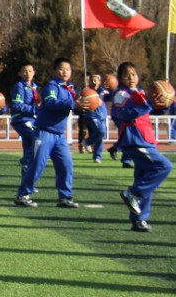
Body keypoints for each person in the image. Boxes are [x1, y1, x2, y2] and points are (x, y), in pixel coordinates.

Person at [15, 58, 86, 209]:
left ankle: (65, 197)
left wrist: (84, 105)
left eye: (67, 69)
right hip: (44, 132)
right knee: (37, 164)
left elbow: (74, 105)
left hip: (59, 135)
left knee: (66, 164)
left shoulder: (70, 88)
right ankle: (23, 195)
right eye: (61, 69)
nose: (65, 71)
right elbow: (50, 103)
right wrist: (73, 104)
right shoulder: (51, 86)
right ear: (54, 71)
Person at [111, 62, 174, 232]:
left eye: (133, 74)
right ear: (120, 79)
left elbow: (148, 112)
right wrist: (148, 104)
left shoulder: (139, 93)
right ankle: (133, 193)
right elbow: (125, 115)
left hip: (144, 140)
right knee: (164, 166)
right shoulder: (121, 95)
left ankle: (139, 220)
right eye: (126, 75)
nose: (131, 78)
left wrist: (162, 104)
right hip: (136, 141)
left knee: (145, 178)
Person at [9, 64, 39, 176]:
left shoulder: (34, 87)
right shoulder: (19, 86)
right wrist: (34, 109)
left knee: (29, 148)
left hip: (31, 119)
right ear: (20, 74)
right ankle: (24, 161)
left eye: (30, 71)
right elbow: (17, 105)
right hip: (22, 120)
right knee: (38, 139)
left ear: (34, 73)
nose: (28, 74)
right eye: (25, 71)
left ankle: (27, 182)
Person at [82, 74, 110, 164]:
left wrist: (112, 86)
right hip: (92, 115)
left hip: (102, 116)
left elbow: (112, 95)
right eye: (91, 80)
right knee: (101, 132)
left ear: (99, 81)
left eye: (95, 80)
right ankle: (86, 142)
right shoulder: (87, 91)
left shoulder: (103, 90)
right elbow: (80, 99)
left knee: (100, 136)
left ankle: (97, 157)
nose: (93, 82)